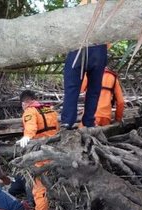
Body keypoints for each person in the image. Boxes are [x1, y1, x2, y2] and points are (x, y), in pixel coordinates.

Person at [61, 0, 108, 129]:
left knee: (72, 88)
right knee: (94, 89)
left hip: (78, 47)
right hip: (99, 48)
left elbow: (69, 31)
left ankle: (67, 122)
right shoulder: (106, 7)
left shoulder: (81, 6)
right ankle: (88, 122)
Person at [16, 90, 60, 210]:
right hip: (54, 151)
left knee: (39, 189)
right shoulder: (50, 110)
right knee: (51, 185)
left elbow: (31, 127)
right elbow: (56, 130)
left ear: (25, 103)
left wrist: (26, 137)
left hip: (40, 154)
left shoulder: (30, 111)